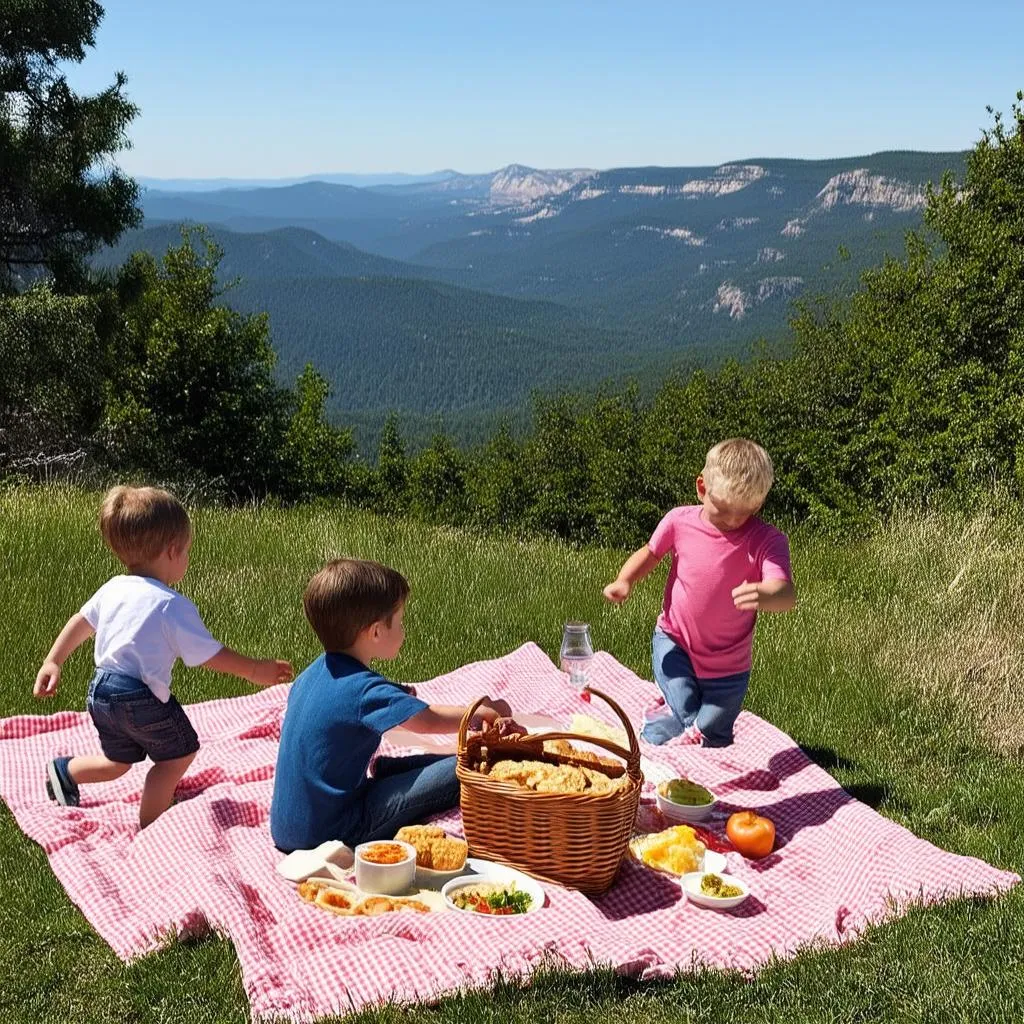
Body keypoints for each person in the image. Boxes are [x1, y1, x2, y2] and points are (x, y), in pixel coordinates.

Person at [33, 486, 294, 827]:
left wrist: (53, 660)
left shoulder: (113, 587)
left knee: (118, 761)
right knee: (176, 756)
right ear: (172, 551)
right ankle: (152, 825)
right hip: (136, 695)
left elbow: (81, 623)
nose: (187, 558)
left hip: (100, 692)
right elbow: (209, 654)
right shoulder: (170, 605)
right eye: (186, 551)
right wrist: (255, 669)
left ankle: (65, 771)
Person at [270, 558, 510, 853]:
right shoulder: (364, 691)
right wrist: (479, 713)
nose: (404, 629)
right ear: (374, 633)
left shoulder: (314, 673)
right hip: (334, 831)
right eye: (399, 621)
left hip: (289, 828)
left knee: (440, 763)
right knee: (468, 768)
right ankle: (473, 766)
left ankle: (389, 769)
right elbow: (428, 720)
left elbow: (369, 697)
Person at [603, 438, 795, 747]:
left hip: (730, 664)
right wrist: (625, 580)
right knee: (687, 709)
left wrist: (767, 594)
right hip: (675, 641)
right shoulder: (679, 521)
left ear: (758, 505)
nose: (732, 521)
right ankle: (658, 748)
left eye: (743, 513)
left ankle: (672, 742)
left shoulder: (767, 540)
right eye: (722, 510)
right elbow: (651, 553)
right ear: (702, 488)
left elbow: (785, 593)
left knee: (714, 736)